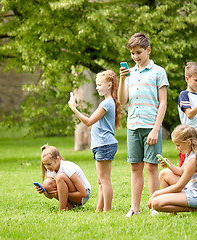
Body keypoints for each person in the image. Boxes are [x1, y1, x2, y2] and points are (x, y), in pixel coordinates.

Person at [118, 32, 168, 217]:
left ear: (148, 50)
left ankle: (154, 207)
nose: (135, 57)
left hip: (151, 127)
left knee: (151, 166)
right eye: (132, 54)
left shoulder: (158, 72)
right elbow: (122, 101)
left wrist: (156, 129)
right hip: (133, 126)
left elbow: (163, 103)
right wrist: (123, 79)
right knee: (135, 167)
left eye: (139, 52)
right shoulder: (130, 73)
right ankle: (135, 209)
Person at [68, 70, 120, 212]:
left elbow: (89, 121)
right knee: (100, 180)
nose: (97, 87)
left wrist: (74, 109)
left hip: (105, 144)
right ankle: (99, 209)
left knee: (105, 180)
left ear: (109, 85)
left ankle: (106, 210)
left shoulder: (107, 103)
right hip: (101, 145)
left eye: (99, 85)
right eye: (96, 85)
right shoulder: (106, 102)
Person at [148, 124, 197, 214]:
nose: (177, 148)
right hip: (194, 189)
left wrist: (156, 193)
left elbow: (179, 186)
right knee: (164, 173)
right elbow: (182, 172)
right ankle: (172, 212)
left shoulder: (194, 159)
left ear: (188, 142)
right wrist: (170, 165)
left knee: (156, 203)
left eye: (178, 145)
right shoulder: (190, 153)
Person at [34, 145, 91, 212]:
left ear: (57, 159)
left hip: (83, 196)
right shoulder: (50, 170)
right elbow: (51, 196)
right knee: (47, 183)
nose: (46, 167)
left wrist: (61, 193)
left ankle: (62, 210)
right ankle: (69, 206)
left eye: (49, 164)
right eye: (44, 164)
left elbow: (83, 193)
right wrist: (44, 192)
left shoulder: (67, 168)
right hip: (72, 195)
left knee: (60, 177)